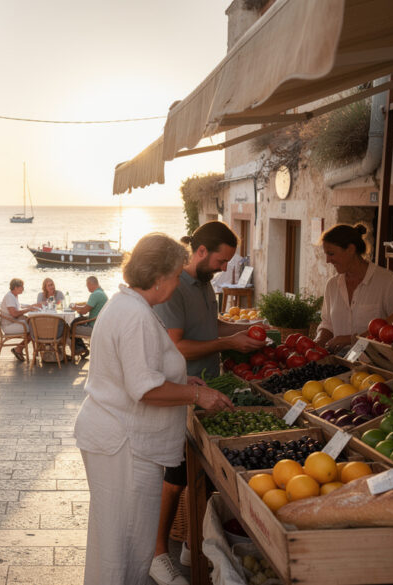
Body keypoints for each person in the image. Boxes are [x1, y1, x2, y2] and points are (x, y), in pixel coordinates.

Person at [74, 233, 235, 585]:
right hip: (123, 445)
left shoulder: (129, 305)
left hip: (117, 439)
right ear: (159, 277)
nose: (178, 283)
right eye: (177, 275)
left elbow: (140, 373)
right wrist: (197, 397)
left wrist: (185, 385)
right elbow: (144, 388)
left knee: (116, 541)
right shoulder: (134, 315)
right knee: (125, 546)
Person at [149, 221, 267, 585]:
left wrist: (240, 332)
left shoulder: (204, 285)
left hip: (207, 389)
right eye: (221, 260)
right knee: (175, 475)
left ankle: (191, 542)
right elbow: (177, 346)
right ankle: (158, 554)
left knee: (203, 474)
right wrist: (228, 344)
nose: (223, 267)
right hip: (180, 392)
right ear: (201, 252)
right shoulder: (175, 289)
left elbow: (210, 326)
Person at [314, 223, 393, 353]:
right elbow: (327, 324)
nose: (327, 260)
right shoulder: (332, 285)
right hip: (338, 363)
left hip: (376, 365)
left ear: (351, 249)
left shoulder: (389, 282)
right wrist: (318, 341)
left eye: (331, 254)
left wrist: (351, 339)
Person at [0, 278, 41, 361]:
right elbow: (14, 314)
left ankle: (23, 349)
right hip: (9, 325)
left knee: (33, 325)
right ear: (15, 287)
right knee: (34, 329)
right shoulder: (9, 297)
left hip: (13, 322)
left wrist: (31, 306)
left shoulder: (13, 296)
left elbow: (19, 307)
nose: (23, 289)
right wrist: (29, 310)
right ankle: (19, 349)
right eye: (22, 287)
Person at [71, 275, 108, 357]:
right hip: (100, 326)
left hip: (94, 328)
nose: (87, 288)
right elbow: (88, 306)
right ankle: (81, 348)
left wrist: (74, 308)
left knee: (70, 328)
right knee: (76, 322)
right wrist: (77, 307)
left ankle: (81, 349)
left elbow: (84, 311)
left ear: (90, 284)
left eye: (87, 285)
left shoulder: (95, 294)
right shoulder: (101, 293)